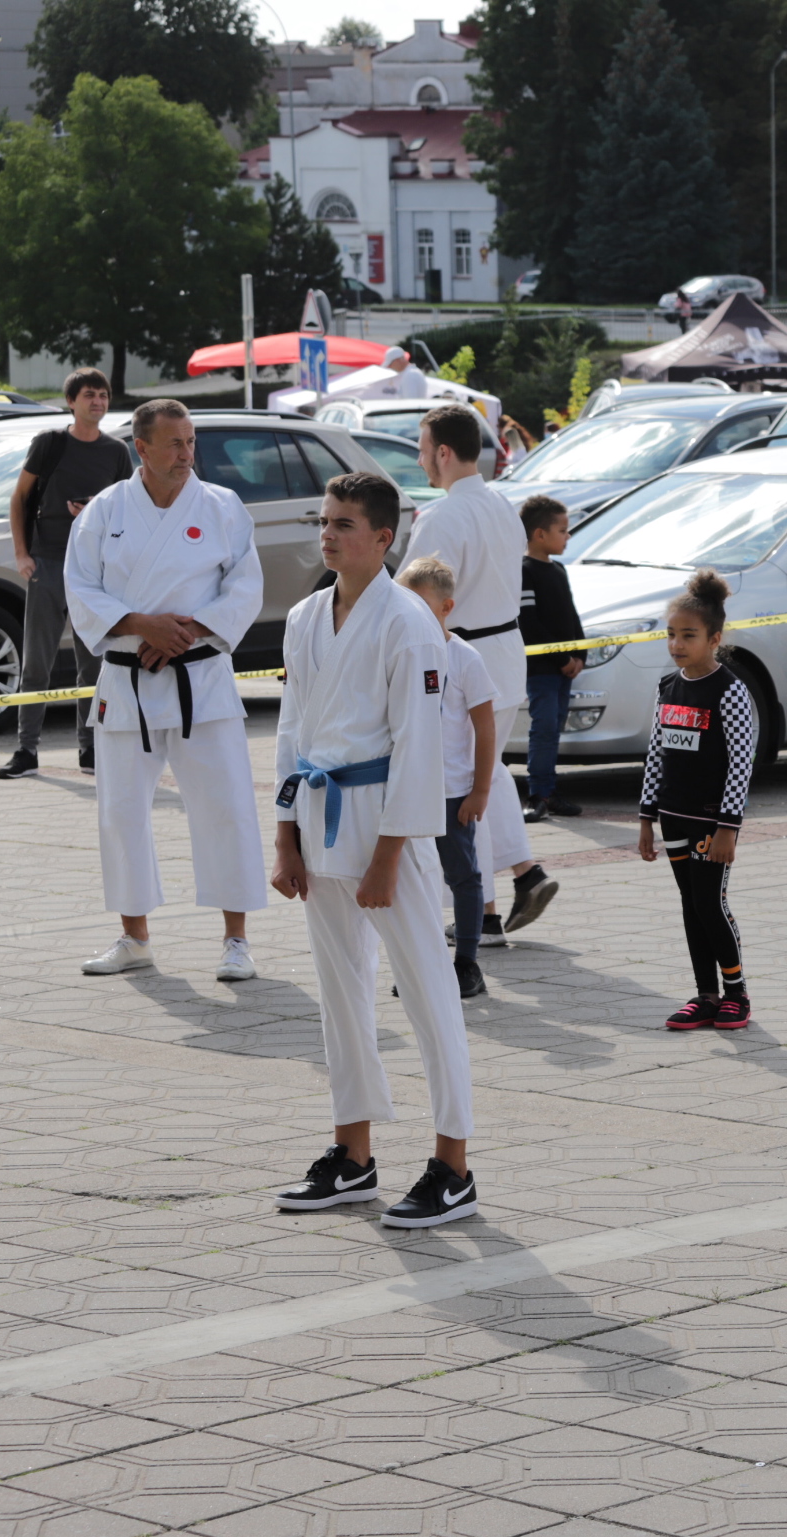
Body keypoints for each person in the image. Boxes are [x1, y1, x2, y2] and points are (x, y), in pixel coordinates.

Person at [270, 472, 480, 1228]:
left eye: (345, 524)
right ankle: (352, 1155)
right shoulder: (305, 616)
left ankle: (454, 1166)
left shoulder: (408, 622)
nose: (328, 535)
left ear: (384, 538)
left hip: (387, 822)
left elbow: (419, 744)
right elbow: (291, 727)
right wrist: (285, 834)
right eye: (325, 522)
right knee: (340, 993)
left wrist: (389, 854)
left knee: (427, 990)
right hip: (320, 811)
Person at [63, 399, 264, 983]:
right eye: (174, 443)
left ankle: (236, 939)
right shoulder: (103, 512)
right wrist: (139, 625)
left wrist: (186, 631)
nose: (186, 453)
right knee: (120, 812)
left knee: (225, 807)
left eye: (191, 441)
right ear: (142, 448)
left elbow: (245, 587)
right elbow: (81, 589)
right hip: (127, 680)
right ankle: (135, 937)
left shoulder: (222, 506)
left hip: (201, 676)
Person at [412, 404, 558, 940]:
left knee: (467, 778)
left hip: (463, 658)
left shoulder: (442, 517)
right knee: (486, 771)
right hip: (505, 652)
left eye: (423, 450)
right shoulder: (502, 505)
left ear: (443, 452)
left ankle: (489, 908)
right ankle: (517, 880)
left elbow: (416, 598)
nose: (420, 460)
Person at [638, 570, 759, 1032]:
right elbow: (656, 754)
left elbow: (741, 764)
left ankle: (736, 993)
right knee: (690, 904)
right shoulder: (667, 687)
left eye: (688, 635)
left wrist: (728, 827)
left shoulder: (730, 690)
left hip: (712, 823)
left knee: (711, 903)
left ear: (714, 639)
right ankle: (705, 995)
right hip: (672, 817)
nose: (676, 644)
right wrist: (646, 818)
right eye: (671, 634)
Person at [0, 368, 129, 780]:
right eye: (89, 395)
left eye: (103, 395)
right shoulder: (50, 443)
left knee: (93, 665)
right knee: (36, 663)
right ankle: (26, 750)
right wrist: (22, 554)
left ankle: (90, 749)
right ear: (71, 402)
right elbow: (19, 497)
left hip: (95, 570)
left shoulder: (116, 452)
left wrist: (94, 512)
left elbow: (126, 511)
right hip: (49, 562)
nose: (98, 402)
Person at [398, 556, 496, 1001]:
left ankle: (467, 963)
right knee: (409, 879)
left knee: (463, 877)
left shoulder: (465, 658)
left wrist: (479, 790)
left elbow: (485, 727)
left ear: (446, 607)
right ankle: (421, 965)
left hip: (450, 792)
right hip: (404, 789)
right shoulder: (398, 653)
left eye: (422, 604)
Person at [519, 495, 587, 823]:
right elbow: (529, 623)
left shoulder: (558, 569)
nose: (568, 536)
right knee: (544, 728)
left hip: (563, 669)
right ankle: (537, 794)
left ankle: (550, 791)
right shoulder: (524, 571)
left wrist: (580, 654)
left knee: (555, 728)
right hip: (542, 669)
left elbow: (571, 615)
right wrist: (562, 659)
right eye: (562, 530)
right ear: (539, 534)